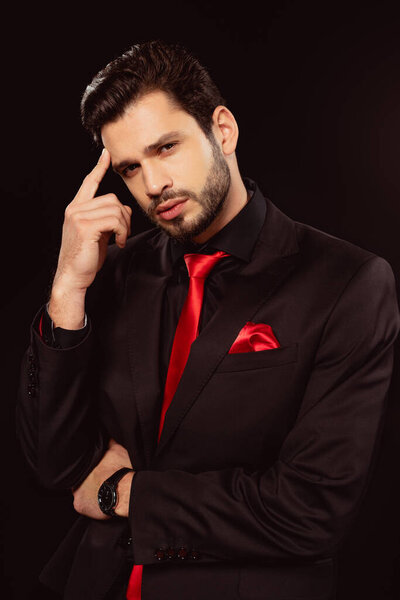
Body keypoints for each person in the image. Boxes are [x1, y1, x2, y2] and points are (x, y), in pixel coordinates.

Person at [17, 40, 400, 600]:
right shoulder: (117, 272)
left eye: (166, 148)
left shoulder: (347, 283)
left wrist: (126, 494)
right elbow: (54, 463)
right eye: (130, 168)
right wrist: (67, 291)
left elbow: (310, 510)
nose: (152, 186)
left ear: (222, 130)